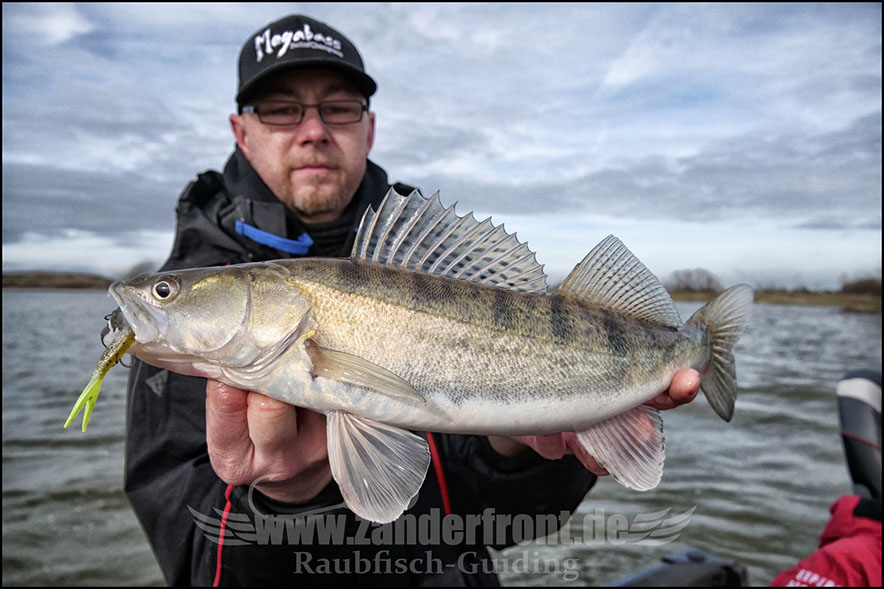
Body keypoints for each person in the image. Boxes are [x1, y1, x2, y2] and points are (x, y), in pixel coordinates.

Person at [124, 14, 702, 586]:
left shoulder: (418, 246)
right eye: (281, 110)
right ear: (240, 131)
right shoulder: (183, 349)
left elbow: (496, 526)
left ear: (367, 129)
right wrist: (291, 502)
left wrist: (509, 446)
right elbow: (197, 567)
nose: (314, 131)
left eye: (338, 107)